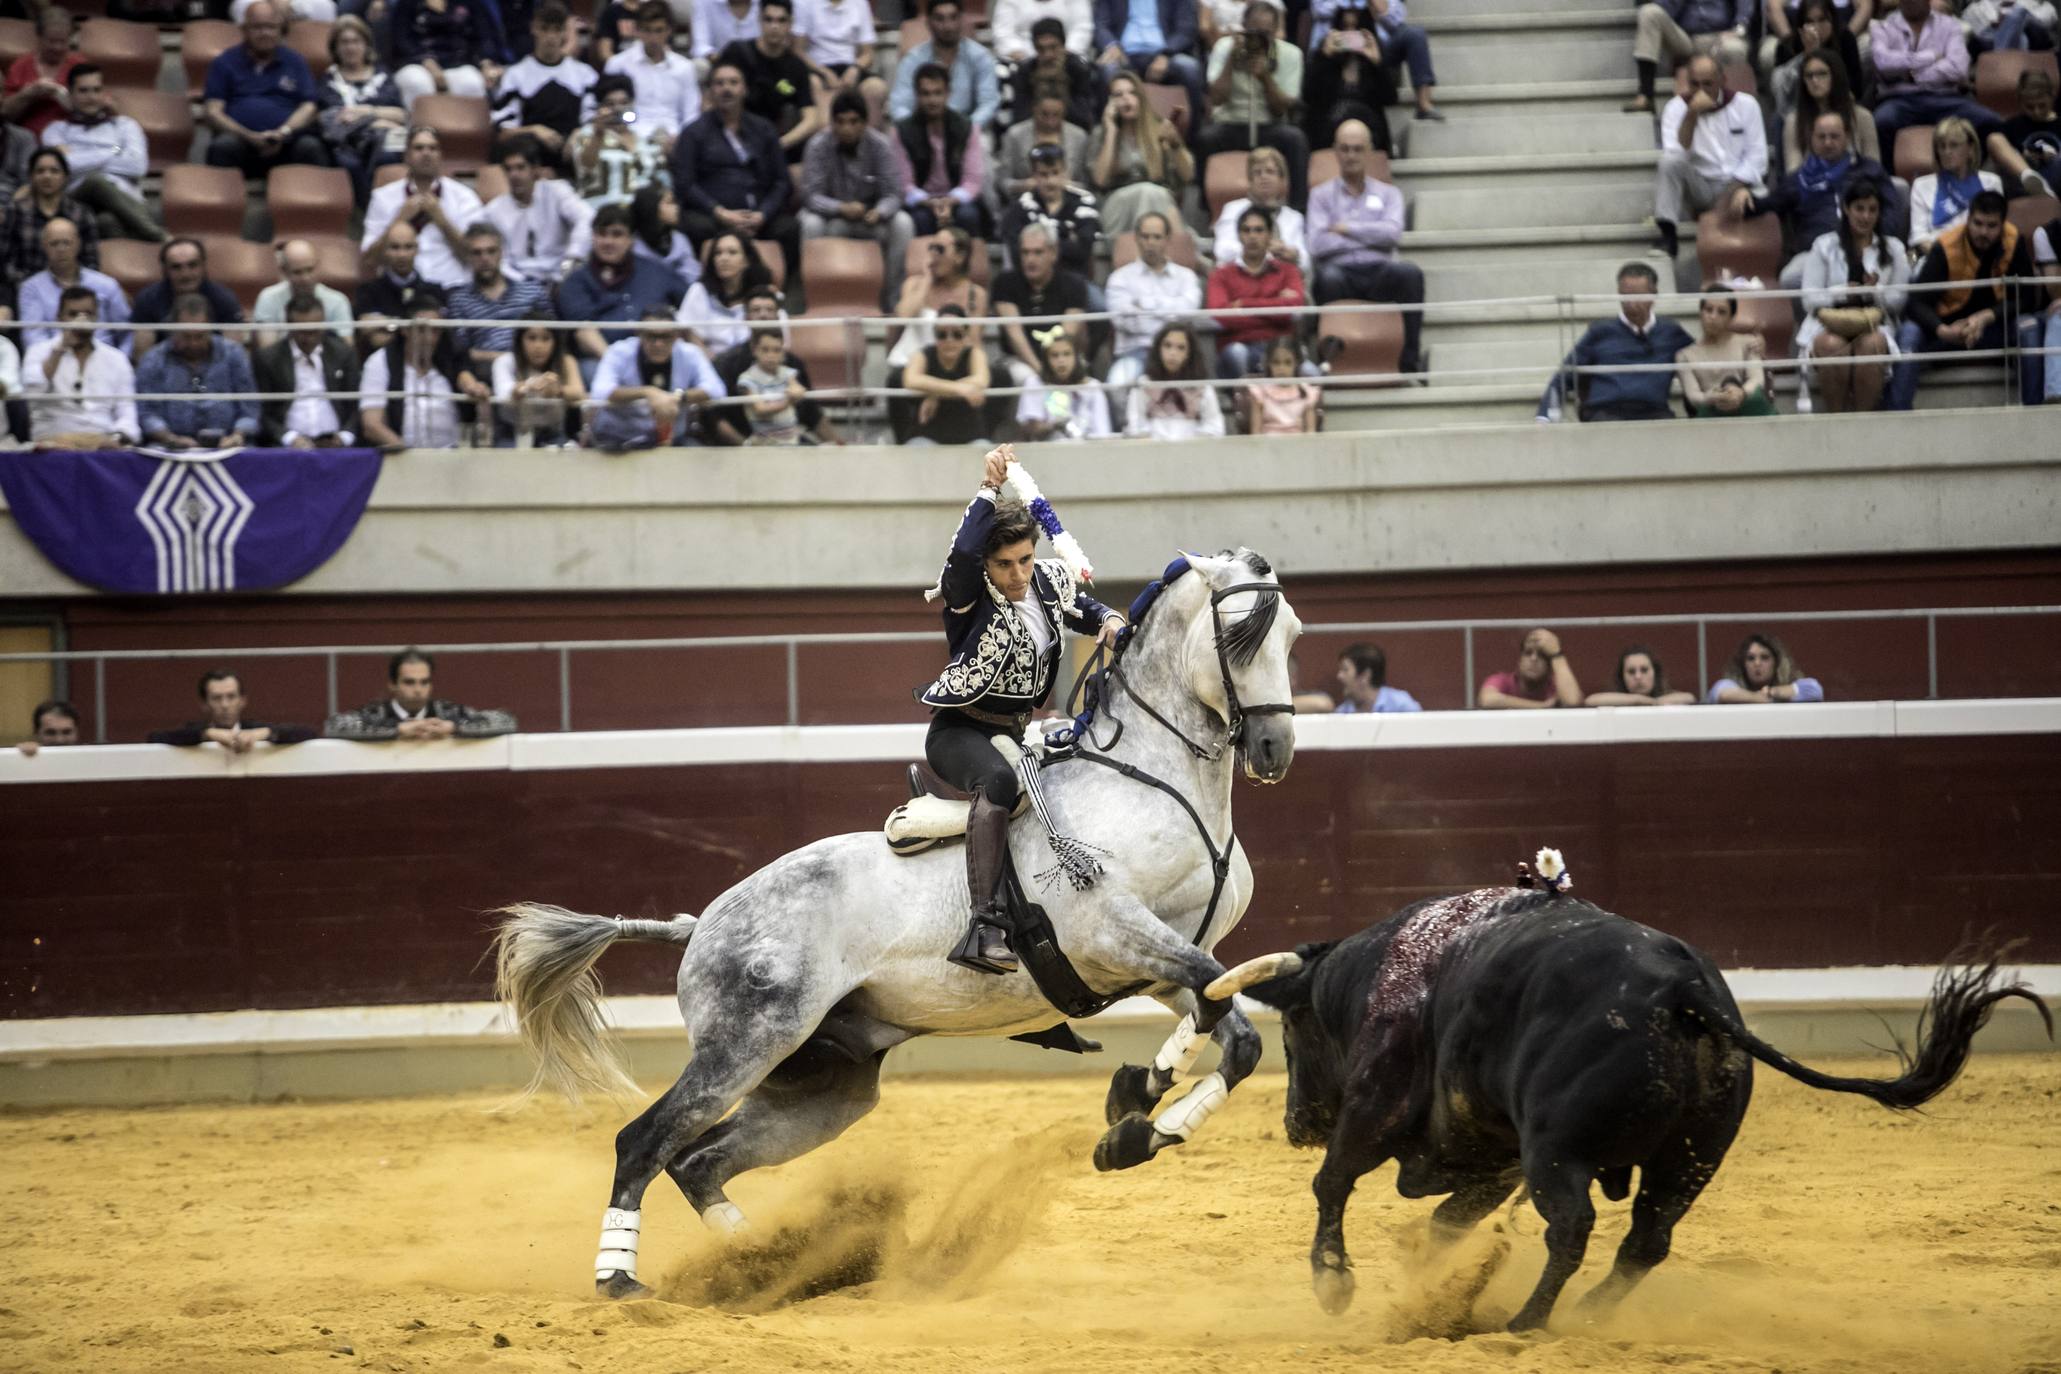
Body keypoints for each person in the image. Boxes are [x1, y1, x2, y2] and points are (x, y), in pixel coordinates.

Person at [916, 445, 1123, 974]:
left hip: (1015, 733)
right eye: (1005, 564)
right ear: (989, 565)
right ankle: (983, 924)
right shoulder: (969, 593)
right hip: (959, 732)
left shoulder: (1048, 580)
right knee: (999, 784)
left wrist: (1110, 620)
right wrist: (989, 489)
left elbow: (1083, 607)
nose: (1018, 574)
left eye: (1025, 559)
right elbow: (962, 555)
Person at [1889, 190, 2042, 410]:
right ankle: (1897, 417)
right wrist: (1942, 329)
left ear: (2002, 225)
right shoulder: (1945, 245)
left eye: (1991, 226)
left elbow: (2028, 298)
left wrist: (1987, 316)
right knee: (1909, 333)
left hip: (1993, 328)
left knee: (2029, 326)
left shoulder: (2013, 240)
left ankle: (2034, 415)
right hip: (1946, 331)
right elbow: (1916, 303)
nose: (1983, 232)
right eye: (1978, 223)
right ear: (1968, 219)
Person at [1731, 109, 1897, 284]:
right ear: (1811, 138)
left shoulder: (1869, 170)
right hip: (1816, 253)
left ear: (1847, 137)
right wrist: (1744, 193)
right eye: (1821, 137)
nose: (1828, 142)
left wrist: (1875, 243)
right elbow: (1765, 205)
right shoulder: (1798, 180)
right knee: (1790, 278)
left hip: (1867, 248)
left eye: (1834, 136)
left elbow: (1891, 211)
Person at [1307, 118, 1422, 372]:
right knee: (1326, 279)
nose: (1351, 155)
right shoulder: (1320, 195)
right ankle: (1329, 359)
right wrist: (1371, 236)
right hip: (1340, 274)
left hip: (1381, 271)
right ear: (1335, 151)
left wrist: (1347, 229)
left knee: (1411, 275)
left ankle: (1409, 361)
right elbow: (1317, 244)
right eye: (1345, 149)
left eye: (1357, 149)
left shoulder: (1389, 193)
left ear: (1369, 151)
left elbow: (1392, 234)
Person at [670, 57, 797, 270]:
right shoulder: (693, 133)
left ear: (745, 89)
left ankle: (776, 292)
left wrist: (763, 214)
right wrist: (719, 213)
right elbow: (685, 184)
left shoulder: (763, 129)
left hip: (759, 216)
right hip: (715, 217)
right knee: (695, 225)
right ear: (709, 91)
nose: (726, 89)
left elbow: (782, 182)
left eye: (733, 82)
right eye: (719, 84)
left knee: (789, 228)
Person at [1798, 175, 1907, 413]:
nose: (1865, 216)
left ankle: (1863, 422)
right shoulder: (1823, 245)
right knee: (1829, 345)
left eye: (1872, 210)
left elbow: (1898, 301)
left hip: (1874, 325)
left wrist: (1873, 292)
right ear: (1846, 209)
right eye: (1859, 208)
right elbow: (1809, 298)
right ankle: (1838, 421)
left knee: (1872, 344)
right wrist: (1843, 293)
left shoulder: (1895, 249)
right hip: (1828, 323)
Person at [1537, 262, 1695, 422]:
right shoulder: (1599, 331)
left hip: (1654, 411)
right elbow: (1564, 376)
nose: (1632, 305)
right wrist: (1544, 417)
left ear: (1654, 294)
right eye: (1626, 297)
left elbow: (1700, 359)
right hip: (1605, 412)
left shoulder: (1671, 332)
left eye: (1639, 297)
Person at [800, 89, 915, 295]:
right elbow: (810, 195)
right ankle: (818, 296)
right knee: (810, 223)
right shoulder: (817, 145)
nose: (847, 129)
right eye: (840, 122)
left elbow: (894, 193)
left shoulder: (881, 145)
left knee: (903, 223)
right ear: (832, 122)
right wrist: (840, 208)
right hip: (830, 218)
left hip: (870, 219)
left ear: (865, 122)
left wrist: (880, 211)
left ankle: (892, 296)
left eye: (854, 122)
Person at [1195, 2, 1308, 210]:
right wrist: (1231, 59)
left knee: (1295, 139)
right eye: (1253, 32)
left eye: (1265, 33)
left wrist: (1265, 78)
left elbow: (1281, 109)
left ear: (1275, 32)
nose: (1258, 39)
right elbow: (1217, 98)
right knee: (1205, 139)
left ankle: (1298, 210)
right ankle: (1206, 209)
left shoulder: (1291, 54)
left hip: (1269, 125)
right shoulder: (1224, 47)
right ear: (1243, 27)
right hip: (1231, 122)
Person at [1652, 54, 1766, 260]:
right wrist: (1691, 115)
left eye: (1708, 84)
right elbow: (1677, 153)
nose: (1701, 90)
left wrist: (1735, 189)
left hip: (1739, 185)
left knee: (1761, 197)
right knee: (1668, 163)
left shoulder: (1746, 105)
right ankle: (1668, 234)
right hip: (1701, 186)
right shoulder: (1675, 108)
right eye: (1695, 84)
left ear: (1722, 81)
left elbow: (1757, 157)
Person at [202, 2, 330, 175]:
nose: (265, 33)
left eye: (271, 27)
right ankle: (222, 201)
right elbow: (213, 111)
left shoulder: (295, 61)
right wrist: (248, 136)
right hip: (241, 142)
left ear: (281, 30)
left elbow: (309, 106)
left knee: (311, 147)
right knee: (223, 147)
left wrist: (283, 133)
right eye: (257, 27)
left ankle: (314, 201)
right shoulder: (224, 62)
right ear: (244, 29)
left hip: (287, 143)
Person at [886, 227, 989, 440]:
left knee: (1000, 378)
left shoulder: (975, 294)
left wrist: (937, 392)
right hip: (913, 365)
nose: (933, 254)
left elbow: (973, 342)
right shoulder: (914, 284)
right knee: (895, 380)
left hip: (952, 366)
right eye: (931, 248)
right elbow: (903, 316)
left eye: (940, 249)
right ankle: (904, 443)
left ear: (960, 256)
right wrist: (926, 279)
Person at [560, 202, 690, 366]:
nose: (608, 241)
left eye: (617, 234)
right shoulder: (576, 281)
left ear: (631, 239)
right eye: (602, 234)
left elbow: (690, 307)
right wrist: (617, 367)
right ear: (593, 237)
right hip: (603, 362)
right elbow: (584, 333)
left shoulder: (657, 271)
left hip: (661, 356)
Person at [41, 65, 159, 244]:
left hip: (126, 202)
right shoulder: (56, 131)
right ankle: (157, 236)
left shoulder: (125, 125)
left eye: (97, 90)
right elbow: (65, 167)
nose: (91, 97)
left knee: (107, 223)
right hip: (77, 201)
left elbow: (137, 167)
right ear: (70, 95)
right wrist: (114, 151)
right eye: (83, 91)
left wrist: (83, 158)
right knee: (95, 181)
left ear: (105, 93)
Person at [706, 284, 837, 444]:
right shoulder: (725, 364)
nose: (763, 315)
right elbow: (713, 418)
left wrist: (840, 446)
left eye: (769, 310)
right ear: (746, 318)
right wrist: (745, 448)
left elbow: (812, 413)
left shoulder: (794, 363)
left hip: (788, 442)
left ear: (777, 317)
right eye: (756, 310)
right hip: (742, 447)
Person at [1869, 0, 2004, 155]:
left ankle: (1971, 171)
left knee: (1990, 121)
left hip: (1945, 98)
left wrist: (1912, 75)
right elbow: (1884, 64)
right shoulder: (1882, 27)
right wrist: (1932, 56)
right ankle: (1890, 177)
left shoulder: (1950, 26)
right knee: (1882, 122)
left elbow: (1958, 69)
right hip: (1900, 99)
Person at [359, 290, 489, 449]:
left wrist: (476, 391)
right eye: (421, 330)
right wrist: (410, 456)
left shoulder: (451, 359)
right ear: (405, 330)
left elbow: (471, 391)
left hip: (453, 457)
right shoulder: (380, 361)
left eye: (435, 331)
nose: (429, 338)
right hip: (402, 459)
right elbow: (372, 426)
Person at [361, 125, 485, 290]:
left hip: (452, 287)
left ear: (441, 156)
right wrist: (399, 220)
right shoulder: (382, 198)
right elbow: (370, 259)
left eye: (433, 148)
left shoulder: (465, 197)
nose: (426, 153)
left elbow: (476, 257)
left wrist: (443, 222)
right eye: (419, 148)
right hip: (400, 289)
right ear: (406, 156)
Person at [589, 307, 725, 450]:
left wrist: (676, 397)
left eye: (666, 336)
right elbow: (600, 392)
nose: (658, 344)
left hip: (673, 440)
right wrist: (647, 393)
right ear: (639, 334)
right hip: (619, 439)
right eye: (651, 336)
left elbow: (716, 389)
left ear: (676, 335)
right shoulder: (619, 352)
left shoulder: (690, 353)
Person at [134, 294, 260, 448]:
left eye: (200, 336)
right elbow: (147, 413)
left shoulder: (234, 354)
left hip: (228, 443)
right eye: (186, 337)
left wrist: (237, 435)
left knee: (250, 453)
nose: (193, 344)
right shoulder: (153, 359)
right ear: (172, 330)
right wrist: (169, 438)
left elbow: (250, 408)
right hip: (170, 445)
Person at [21, 284, 136, 447]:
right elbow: (33, 394)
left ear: (97, 317)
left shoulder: (117, 359)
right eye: (73, 314)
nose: (81, 321)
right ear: (59, 317)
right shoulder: (37, 352)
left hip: (102, 443)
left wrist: (116, 439)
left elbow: (126, 411)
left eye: (88, 314)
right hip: (52, 442)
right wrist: (59, 350)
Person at [1104, 209, 1202, 393]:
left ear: (1167, 240)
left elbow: (1188, 313)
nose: (1150, 243)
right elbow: (1125, 322)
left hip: (1179, 354)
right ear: (1136, 238)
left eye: (1157, 237)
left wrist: (1145, 306)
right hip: (1135, 352)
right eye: (1145, 236)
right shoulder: (1119, 278)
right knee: (1115, 385)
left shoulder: (1186, 277)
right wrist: (1170, 312)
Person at [324, 647, 519, 739]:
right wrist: (398, 729)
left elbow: (506, 720)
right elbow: (333, 725)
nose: (418, 690)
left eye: (424, 682)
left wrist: (454, 727)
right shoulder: (375, 713)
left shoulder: (447, 712)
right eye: (409, 682)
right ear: (392, 685)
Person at [1089, 71, 1191, 239]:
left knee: (1155, 194)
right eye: (1118, 95)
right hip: (1117, 207)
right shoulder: (1101, 134)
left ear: (1141, 98)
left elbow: (1187, 176)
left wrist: (1175, 144)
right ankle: (1179, 248)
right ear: (1109, 103)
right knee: (1149, 192)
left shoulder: (1158, 128)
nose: (1126, 99)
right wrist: (1111, 132)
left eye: (1132, 93)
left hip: (1158, 201)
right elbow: (1100, 180)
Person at [318, 15, 408, 205]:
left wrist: (366, 112)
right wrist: (379, 119)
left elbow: (400, 115)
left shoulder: (383, 75)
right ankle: (368, 210)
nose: (350, 47)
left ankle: (384, 208)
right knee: (347, 163)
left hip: (382, 142)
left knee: (389, 154)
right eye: (344, 42)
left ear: (366, 45)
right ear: (335, 47)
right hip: (346, 144)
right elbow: (336, 121)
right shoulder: (329, 80)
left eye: (356, 41)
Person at [1206, 203, 1304, 377]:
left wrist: (1244, 304)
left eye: (1259, 230)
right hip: (1238, 346)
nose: (1252, 236)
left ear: (1270, 235)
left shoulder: (1288, 271)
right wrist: (1276, 305)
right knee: (1237, 354)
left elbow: (1293, 311)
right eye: (1246, 230)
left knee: (1310, 371)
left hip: (1279, 348)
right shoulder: (1220, 275)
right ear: (1239, 235)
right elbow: (1221, 317)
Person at [894, 62, 989, 239]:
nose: (932, 100)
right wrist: (929, 202)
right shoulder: (902, 132)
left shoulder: (966, 128)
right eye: (926, 94)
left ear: (948, 94)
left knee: (968, 216)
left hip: (957, 200)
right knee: (920, 219)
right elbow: (904, 185)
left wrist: (950, 201)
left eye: (938, 93)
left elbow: (973, 181)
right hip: (921, 202)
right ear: (917, 95)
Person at [990, 220, 1092, 386]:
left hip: (1062, 357)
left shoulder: (1074, 284)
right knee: (1028, 379)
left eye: (1038, 252)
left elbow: (1067, 336)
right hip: (1020, 360)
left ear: (1053, 253)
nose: (1030, 259)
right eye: (1025, 253)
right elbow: (1015, 336)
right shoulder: (1004, 283)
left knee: (1088, 382)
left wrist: (1055, 368)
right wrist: (1042, 372)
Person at [720, 0, 823, 164]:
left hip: (774, 144)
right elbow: (712, 102)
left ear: (790, 24)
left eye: (781, 20)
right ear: (759, 21)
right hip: (731, 141)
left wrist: (780, 144)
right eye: (768, 20)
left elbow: (811, 118)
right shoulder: (736, 53)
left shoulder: (796, 67)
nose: (774, 26)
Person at [254, 292, 363, 446]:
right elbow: (262, 412)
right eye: (302, 332)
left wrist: (345, 436)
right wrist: (289, 438)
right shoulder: (268, 359)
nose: (309, 338)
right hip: (286, 447)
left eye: (315, 331)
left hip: (336, 444)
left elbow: (357, 403)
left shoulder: (343, 353)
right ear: (289, 326)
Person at [485, 134, 595, 285]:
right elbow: (500, 259)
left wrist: (573, 258)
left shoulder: (557, 192)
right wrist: (522, 284)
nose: (514, 175)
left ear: (535, 169)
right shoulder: (494, 210)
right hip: (518, 284)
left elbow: (587, 218)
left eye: (520, 167)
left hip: (561, 277)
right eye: (509, 169)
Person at [493, 5, 597, 164]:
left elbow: (593, 119)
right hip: (530, 153)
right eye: (545, 29)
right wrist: (534, 130)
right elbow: (504, 132)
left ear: (565, 33)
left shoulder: (585, 73)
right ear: (534, 29)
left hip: (572, 151)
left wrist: (581, 133)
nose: (551, 36)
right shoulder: (515, 74)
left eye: (557, 30)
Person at [1770, 9, 1872, 170]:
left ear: (1835, 76)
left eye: (1822, 74)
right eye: (1809, 76)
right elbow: (1794, 174)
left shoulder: (1862, 118)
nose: (1815, 81)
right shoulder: (1794, 122)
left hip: (1856, 190)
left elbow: (1874, 169)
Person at [1, 147, 99, 312]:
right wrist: (36, 285)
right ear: (31, 176)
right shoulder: (14, 211)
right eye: (40, 171)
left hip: (73, 290)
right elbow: (4, 260)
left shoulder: (81, 213)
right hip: (21, 289)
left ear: (65, 176)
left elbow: (91, 261)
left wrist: (68, 285)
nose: (47, 176)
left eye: (54, 171)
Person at [1092, 0, 1207, 134]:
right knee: (1107, 70)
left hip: (1166, 53)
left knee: (1190, 68)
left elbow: (1186, 29)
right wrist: (1112, 45)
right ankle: (1107, 135)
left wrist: (1166, 54)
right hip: (1123, 54)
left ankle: (1192, 138)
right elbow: (1100, 25)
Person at [449, 222, 551, 373]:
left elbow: (553, 336)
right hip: (486, 371)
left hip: (535, 367)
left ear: (501, 253)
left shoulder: (532, 290)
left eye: (491, 251)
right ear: (468, 256)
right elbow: (462, 351)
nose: (485, 258)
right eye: (477, 253)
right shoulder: (459, 300)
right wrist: (507, 359)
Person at [15, 216, 126, 352]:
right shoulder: (31, 288)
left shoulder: (107, 285)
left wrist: (120, 361)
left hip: (105, 363)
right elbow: (33, 339)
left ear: (78, 244)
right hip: (54, 362)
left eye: (67, 243)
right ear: (44, 246)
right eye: (54, 243)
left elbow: (127, 332)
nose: (61, 249)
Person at [888, 0, 1000, 132]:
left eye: (953, 18)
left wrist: (967, 128)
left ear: (962, 20)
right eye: (940, 19)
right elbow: (899, 105)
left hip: (966, 130)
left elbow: (989, 102)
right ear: (928, 23)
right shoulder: (913, 60)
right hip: (922, 132)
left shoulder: (980, 57)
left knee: (983, 143)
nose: (948, 26)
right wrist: (916, 131)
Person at [1624, 0, 1752, 115]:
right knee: (1649, 12)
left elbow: (1745, 5)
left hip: (1722, 36)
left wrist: (1738, 29)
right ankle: (1646, 95)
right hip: (1687, 38)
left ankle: (1738, 111)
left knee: (1735, 48)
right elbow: (1667, 6)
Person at [997, 141, 1101, 276]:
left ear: (1065, 172)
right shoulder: (1019, 207)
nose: (1050, 181)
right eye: (1043, 174)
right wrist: (1065, 236)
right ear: (1033, 175)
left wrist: (1038, 246)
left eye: (1055, 173)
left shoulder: (1085, 201)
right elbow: (1017, 254)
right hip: (1030, 282)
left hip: (1075, 281)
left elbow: (1082, 250)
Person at [129, 238, 244, 357]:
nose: (185, 274)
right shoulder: (147, 299)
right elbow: (142, 356)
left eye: (192, 265)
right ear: (164, 270)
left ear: (203, 266)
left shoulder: (224, 299)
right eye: (176, 267)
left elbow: (234, 355)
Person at [1303, 4, 1393, 155]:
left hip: (1368, 126)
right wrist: (1325, 58)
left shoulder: (1376, 55)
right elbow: (1308, 95)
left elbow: (1390, 98)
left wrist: (1377, 63)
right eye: (1345, 27)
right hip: (1327, 126)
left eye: (1356, 28)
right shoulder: (1324, 55)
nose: (1351, 33)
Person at [606, 3, 700, 147]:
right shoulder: (618, 65)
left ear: (669, 31)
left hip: (675, 141)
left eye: (659, 30)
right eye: (647, 31)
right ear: (636, 30)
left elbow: (691, 115)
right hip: (629, 139)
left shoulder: (685, 68)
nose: (653, 38)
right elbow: (607, 108)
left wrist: (681, 140)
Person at [1908, 118, 2004, 260]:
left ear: (1970, 148)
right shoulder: (1922, 186)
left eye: (1954, 145)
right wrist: (1948, 258)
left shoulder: (1991, 183)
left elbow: (1996, 230)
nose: (1947, 152)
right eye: (1942, 146)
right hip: (1937, 258)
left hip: (1981, 258)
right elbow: (1919, 237)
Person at [148, 668, 316, 749]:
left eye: (231, 696)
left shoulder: (254, 729)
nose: (225, 705)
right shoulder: (194, 732)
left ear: (242, 701)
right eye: (217, 698)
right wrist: (206, 734)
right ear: (204, 704)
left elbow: (309, 733)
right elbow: (155, 737)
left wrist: (265, 733)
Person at [1675, 285, 1775, 418]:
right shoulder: (1685, 355)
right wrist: (1711, 397)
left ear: (1731, 317)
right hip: (1710, 417)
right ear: (1701, 312)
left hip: (1748, 412)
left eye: (1721, 312)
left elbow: (1757, 380)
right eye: (1708, 310)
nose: (1713, 317)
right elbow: (1693, 397)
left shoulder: (1749, 343)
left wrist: (1741, 393)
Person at [390, 0, 509, 111]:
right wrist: (427, 63)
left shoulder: (469, 2)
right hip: (416, 63)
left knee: (472, 82)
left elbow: (484, 35)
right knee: (417, 82)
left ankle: (468, 131)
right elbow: (401, 39)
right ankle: (420, 130)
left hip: (458, 62)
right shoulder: (408, 3)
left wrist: (486, 63)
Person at [563, 76, 661, 208]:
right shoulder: (587, 134)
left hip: (637, 215)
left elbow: (656, 178)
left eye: (624, 102)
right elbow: (585, 165)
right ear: (599, 108)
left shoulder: (644, 139)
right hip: (599, 211)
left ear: (632, 104)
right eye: (610, 104)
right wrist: (598, 134)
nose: (618, 109)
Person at [904, 303, 992, 444]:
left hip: (970, 434)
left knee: (984, 451)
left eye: (957, 334)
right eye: (942, 334)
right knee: (916, 450)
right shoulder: (923, 354)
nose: (949, 340)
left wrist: (936, 395)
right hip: (928, 433)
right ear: (934, 335)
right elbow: (911, 380)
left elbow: (981, 380)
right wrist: (960, 388)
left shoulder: (975, 353)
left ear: (966, 335)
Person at [1210, 145, 1307, 274]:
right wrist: (1265, 251)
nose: (1263, 177)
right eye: (1257, 172)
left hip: (1281, 282)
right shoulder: (1233, 210)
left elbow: (1305, 262)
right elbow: (1222, 251)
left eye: (1270, 171)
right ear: (1250, 180)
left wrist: (1294, 255)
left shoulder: (1294, 218)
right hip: (1240, 278)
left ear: (1282, 180)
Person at [676, 229, 772, 353]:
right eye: (718, 253)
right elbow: (691, 336)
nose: (724, 258)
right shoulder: (699, 291)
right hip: (709, 364)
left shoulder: (764, 293)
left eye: (732, 252)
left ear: (747, 260)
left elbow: (775, 337)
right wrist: (713, 368)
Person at [491, 317, 584, 445]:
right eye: (531, 338)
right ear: (520, 340)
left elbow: (579, 393)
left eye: (546, 338)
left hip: (552, 433)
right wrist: (529, 385)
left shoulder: (566, 361)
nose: (538, 346)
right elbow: (503, 393)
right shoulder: (505, 361)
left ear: (555, 342)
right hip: (511, 432)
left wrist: (558, 391)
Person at [1125, 320, 1223, 437]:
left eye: (1181, 348)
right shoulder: (1144, 384)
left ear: (1189, 353)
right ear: (1158, 349)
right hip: (1152, 450)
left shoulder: (1202, 387)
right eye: (1167, 345)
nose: (1172, 353)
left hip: (1192, 451)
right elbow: (1135, 425)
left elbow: (1215, 427)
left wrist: (1192, 441)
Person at [253, 239, 355, 347]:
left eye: (310, 270)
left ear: (318, 266)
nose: (306, 278)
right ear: (284, 271)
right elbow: (268, 352)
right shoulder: (268, 298)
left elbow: (346, 350)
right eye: (297, 272)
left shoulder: (337, 301)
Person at [1004, 17, 1101, 131]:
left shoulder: (1079, 69)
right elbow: (1020, 117)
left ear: (1063, 45)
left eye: (1053, 47)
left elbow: (1085, 118)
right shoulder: (1026, 71)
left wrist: (1060, 83)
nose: (1047, 55)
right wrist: (1040, 85)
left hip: (1073, 130)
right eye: (1041, 49)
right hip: (1034, 131)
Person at [354, 219, 433, 353]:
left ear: (417, 249)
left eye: (408, 247)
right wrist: (413, 327)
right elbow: (372, 335)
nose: (402, 254)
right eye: (395, 247)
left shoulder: (434, 291)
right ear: (384, 250)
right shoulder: (368, 291)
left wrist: (388, 324)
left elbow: (438, 336)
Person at [998, 88, 1092, 200]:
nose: (1050, 121)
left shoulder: (1079, 137)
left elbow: (1087, 185)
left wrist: (1067, 185)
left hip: (1070, 202)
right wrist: (1025, 185)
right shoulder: (1015, 135)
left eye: (1056, 115)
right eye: (1044, 114)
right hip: (1025, 200)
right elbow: (1002, 182)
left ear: (1064, 111)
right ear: (1034, 110)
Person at [1016, 330, 1111, 439]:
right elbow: (1032, 429)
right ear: (1046, 360)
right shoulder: (1035, 383)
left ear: (1076, 357)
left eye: (1067, 354)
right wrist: (1055, 426)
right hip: (1047, 450)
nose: (1061, 360)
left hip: (1087, 450)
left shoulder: (1092, 386)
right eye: (1054, 355)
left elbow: (1102, 431)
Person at [2, 7, 79, 141]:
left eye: (63, 42)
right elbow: (5, 114)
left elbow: (96, 108)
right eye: (52, 41)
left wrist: (67, 98)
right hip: (27, 140)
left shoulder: (79, 65)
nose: (57, 47)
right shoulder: (21, 66)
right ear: (39, 38)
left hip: (71, 138)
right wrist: (28, 95)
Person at [1987, 69, 2061, 199]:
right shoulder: (2012, 125)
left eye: (2042, 105)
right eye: (2030, 107)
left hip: (2057, 175)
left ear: (2052, 97)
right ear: (2020, 101)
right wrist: (2022, 156)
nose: (2036, 112)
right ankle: (2030, 177)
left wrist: (2054, 157)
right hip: (2022, 181)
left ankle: (2044, 188)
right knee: (1994, 138)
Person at [731, 324, 807, 443]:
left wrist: (797, 390)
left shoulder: (787, 373)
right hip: (764, 442)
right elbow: (760, 409)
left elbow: (796, 388)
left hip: (792, 440)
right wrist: (787, 402)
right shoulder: (747, 379)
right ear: (754, 350)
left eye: (777, 350)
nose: (771, 355)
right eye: (765, 350)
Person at [1477, 628, 1583, 709]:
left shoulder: (1557, 685)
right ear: (1519, 660)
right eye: (1528, 653)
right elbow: (1487, 700)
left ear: (1550, 664)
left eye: (1541, 655)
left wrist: (1557, 654)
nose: (1533, 659)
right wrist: (1542, 706)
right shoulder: (1502, 680)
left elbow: (1573, 701)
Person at [1705, 632, 1823, 703]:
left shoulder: (1788, 689)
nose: (1757, 664)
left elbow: (1814, 690)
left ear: (1777, 663)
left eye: (1764, 657)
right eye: (1750, 658)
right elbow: (1722, 692)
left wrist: (1772, 692)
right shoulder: (1729, 685)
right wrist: (1758, 698)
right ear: (1742, 664)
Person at [1245, 335, 1320, 433]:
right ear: (1268, 363)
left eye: (1288, 362)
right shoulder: (1260, 393)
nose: (1282, 368)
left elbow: (1311, 431)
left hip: (1297, 445)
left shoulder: (1307, 392)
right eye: (1276, 362)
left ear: (1297, 363)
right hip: (1268, 446)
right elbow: (1256, 433)